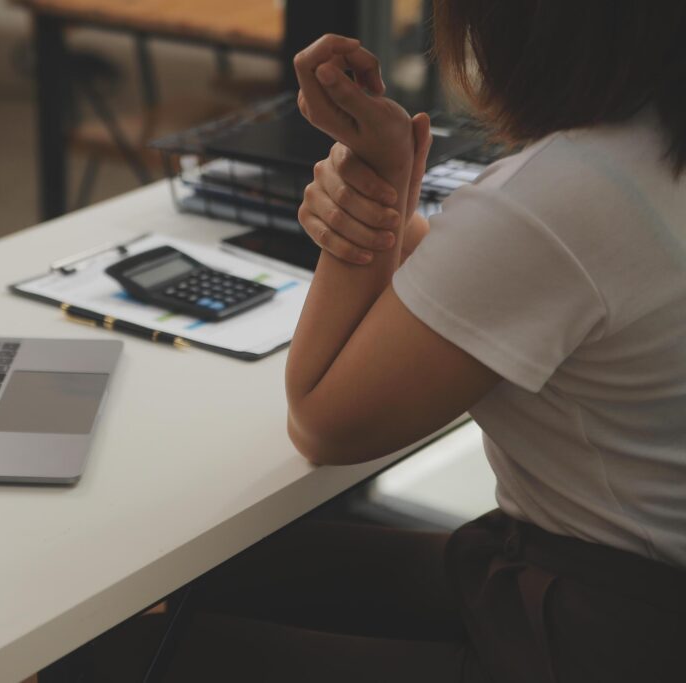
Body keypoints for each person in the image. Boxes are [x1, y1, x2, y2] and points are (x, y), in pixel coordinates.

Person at [89, 2, 686, 681]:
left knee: (122, 655)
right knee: (206, 574)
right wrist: (386, 207)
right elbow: (492, 294)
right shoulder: (648, 148)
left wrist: (376, 176)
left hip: (596, 635)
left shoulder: (566, 191)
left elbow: (321, 421)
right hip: (623, 593)